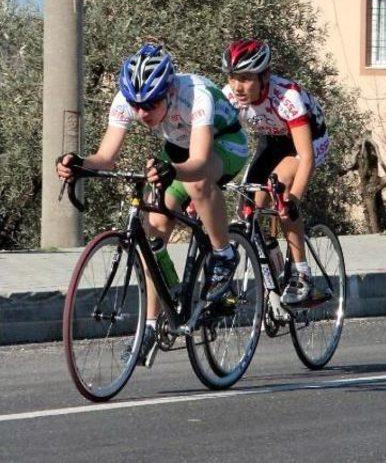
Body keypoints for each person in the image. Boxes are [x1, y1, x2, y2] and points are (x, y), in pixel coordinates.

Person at [56, 43, 249, 366]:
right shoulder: (128, 99)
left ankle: (223, 253)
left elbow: (200, 161)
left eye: (151, 104)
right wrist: (78, 163)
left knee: (197, 181)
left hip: (224, 145)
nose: (142, 113)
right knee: (152, 230)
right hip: (177, 150)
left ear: (169, 90)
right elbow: (106, 157)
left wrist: (171, 170)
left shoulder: (194, 94)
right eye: (136, 105)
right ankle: (152, 323)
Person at [220, 38, 331, 306]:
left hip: (309, 142)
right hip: (272, 141)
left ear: (265, 75)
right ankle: (275, 270)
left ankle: (302, 273)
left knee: (278, 189)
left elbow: (305, 157)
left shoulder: (286, 96)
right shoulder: (230, 96)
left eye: (247, 79)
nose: (238, 86)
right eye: (234, 77)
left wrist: (295, 198)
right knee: (248, 207)